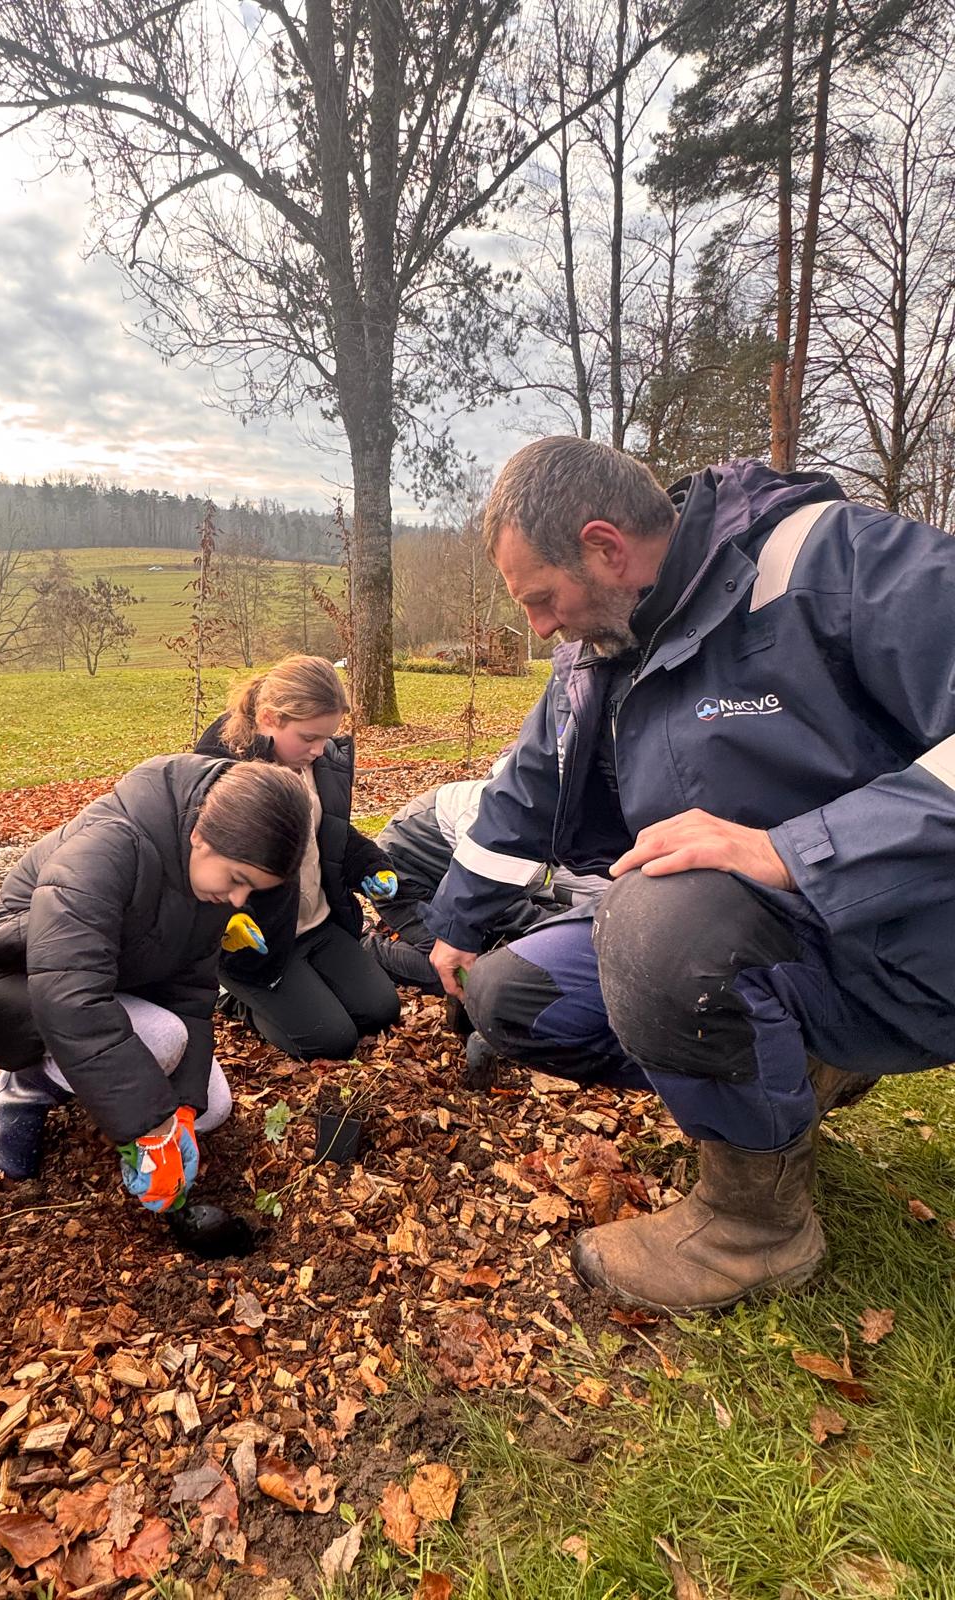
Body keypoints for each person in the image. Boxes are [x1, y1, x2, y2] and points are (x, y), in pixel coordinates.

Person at [424, 435, 955, 1314]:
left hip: (906, 947)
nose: (539, 627)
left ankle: (756, 1230)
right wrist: (455, 923)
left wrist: (794, 848)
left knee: (657, 922)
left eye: (542, 599)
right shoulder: (603, 650)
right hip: (769, 946)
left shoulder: (832, 561)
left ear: (605, 546)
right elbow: (527, 790)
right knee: (514, 994)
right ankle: (787, 1082)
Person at [0, 756, 311, 1214]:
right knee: (163, 1042)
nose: (239, 900)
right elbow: (71, 999)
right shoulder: (107, 848)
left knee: (212, 1109)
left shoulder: (204, 878)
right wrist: (150, 1126)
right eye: (238, 881)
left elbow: (191, 993)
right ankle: (26, 1082)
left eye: (252, 890)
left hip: (109, 980)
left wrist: (181, 1108)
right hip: (7, 985)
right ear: (200, 836)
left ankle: (86, 1081)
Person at [195, 656, 402, 1060]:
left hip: (318, 921)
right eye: (309, 737)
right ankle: (235, 998)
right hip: (260, 939)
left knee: (380, 1011)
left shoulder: (316, 761)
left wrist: (372, 865)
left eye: (327, 737)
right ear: (270, 718)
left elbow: (329, 831)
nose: (320, 749)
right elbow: (193, 863)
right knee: (330, 1040)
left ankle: (303, 990)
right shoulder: (222, 771)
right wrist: (223, 921)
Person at [364, 747, 610, 992]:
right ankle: (363, 945)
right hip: (403, 878)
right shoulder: (487, 816)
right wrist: (563, 928)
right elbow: (488, 897)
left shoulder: (568, 825)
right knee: (456, 968)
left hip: (456, 879)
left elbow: (586, 886)